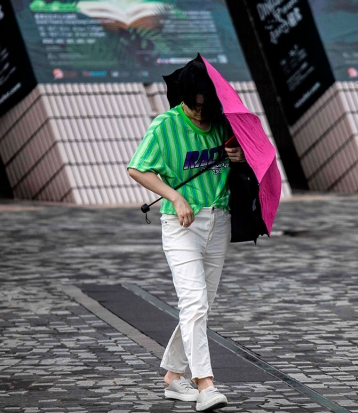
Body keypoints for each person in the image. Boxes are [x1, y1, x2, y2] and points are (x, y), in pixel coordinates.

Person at [127, 59, 246, 411]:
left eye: (205, 103)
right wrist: (175, 197)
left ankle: (172, 378)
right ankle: (205, 384)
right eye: (194, 104)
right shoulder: (164, 125)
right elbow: (137, 168)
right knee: (193, 304)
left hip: (219, 219)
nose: (199, 111)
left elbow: (241, 167)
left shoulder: (223, 122)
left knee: (200, 306)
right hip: (181, 227)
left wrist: (237, 158)